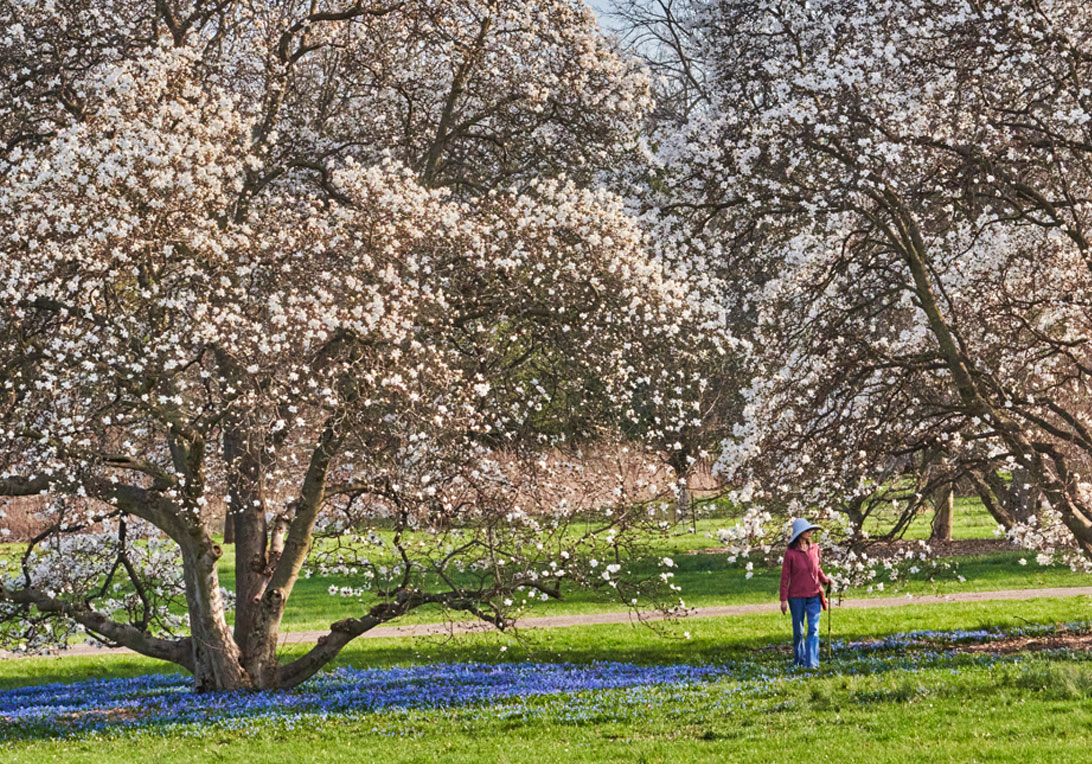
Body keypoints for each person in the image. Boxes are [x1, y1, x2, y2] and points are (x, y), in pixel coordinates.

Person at [779, 518, 831, 668]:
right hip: (796, 597)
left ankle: (812, 663)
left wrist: (825, 580)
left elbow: (817, 568)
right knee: (799, 631)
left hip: (814, 594)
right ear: (799, 533)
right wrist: (783, 600)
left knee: (813, 629)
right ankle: (799, 661)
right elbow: (785, 577)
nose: (810, 533)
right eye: (807, 530)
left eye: (811, 530)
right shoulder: (790, 553)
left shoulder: (815, 549)